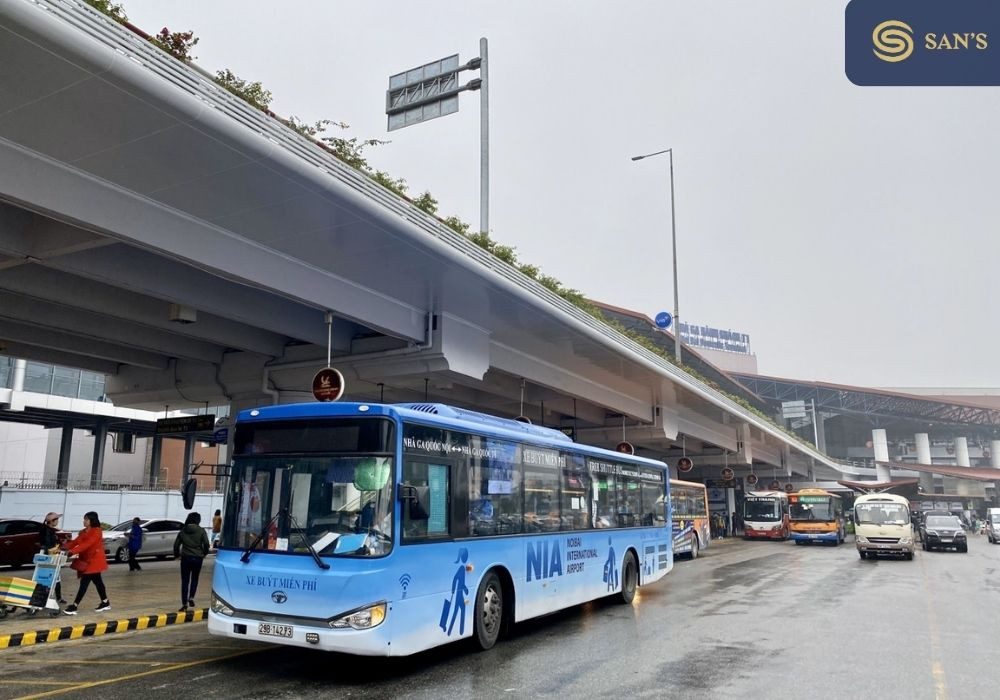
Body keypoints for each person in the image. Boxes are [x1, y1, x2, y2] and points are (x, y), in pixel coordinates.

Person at [62, 511, 110, 615]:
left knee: (84, 583)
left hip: (94, 561)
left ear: (92, 520)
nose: (84, 521)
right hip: (86, 560)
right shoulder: (84, 532)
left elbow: (87, 544)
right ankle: (105, 602)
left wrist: (71, 552)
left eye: (86, 519)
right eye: (84, 519)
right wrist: (64, 547)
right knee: (98, 582)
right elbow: (76, 542)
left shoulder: (97, 531)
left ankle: (74, 606)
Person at [174, 512, 211, 612]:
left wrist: (177, 555)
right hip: (197, 558)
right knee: (195, 578)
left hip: (185, 558)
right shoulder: (201, 531)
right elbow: (207, 544)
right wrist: (204, 553)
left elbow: (176, 545)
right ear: (198, 520)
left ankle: (184, 604)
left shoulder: (183, 531)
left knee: (185, 581)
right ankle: (191, 597)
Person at [39, 512, 67, 605]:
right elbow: (48, 545)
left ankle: (58, 597)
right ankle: (45, 598)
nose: (58, 521)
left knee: (56, 578)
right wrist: (55, 550)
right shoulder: (47, 531)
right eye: (56, 520)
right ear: (51, 521)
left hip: (51, 557)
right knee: (50, 578)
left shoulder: (49, 530)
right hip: (50, 558)